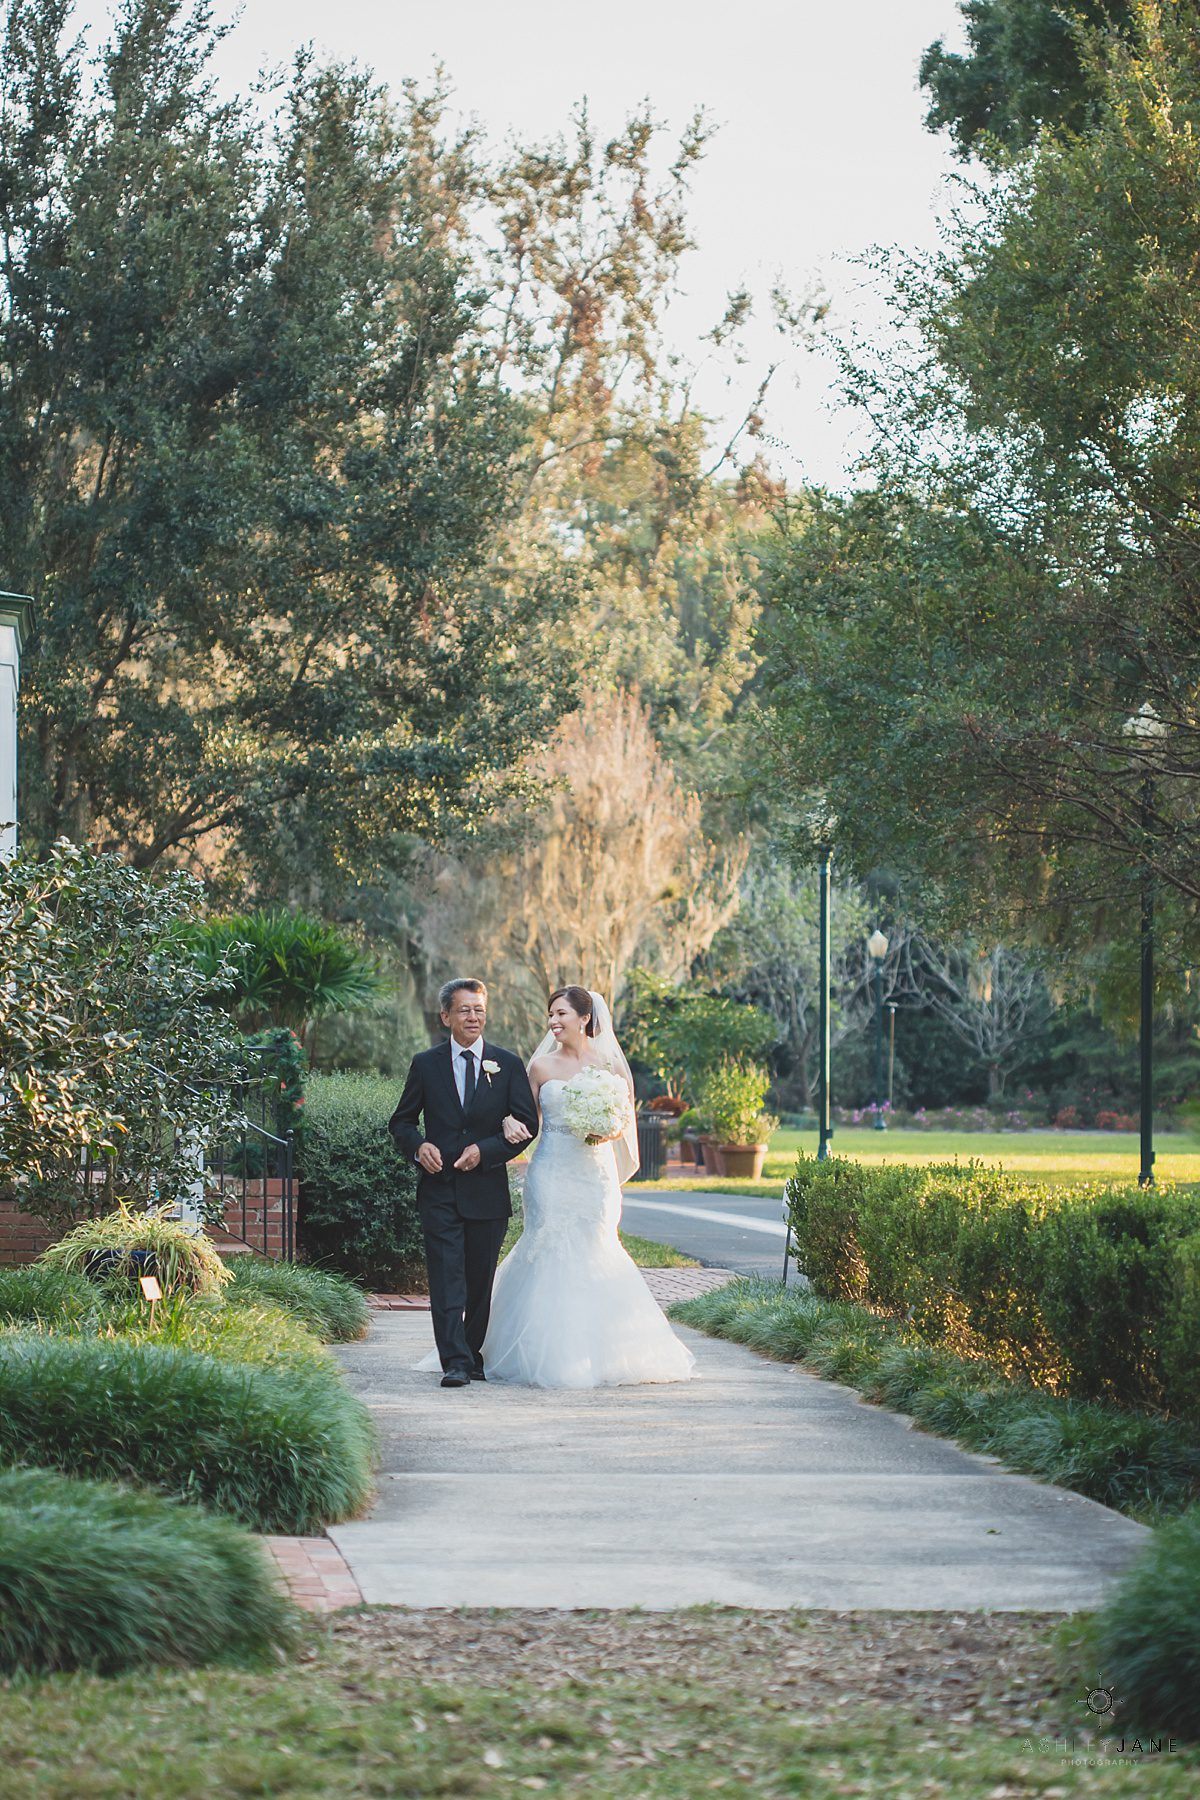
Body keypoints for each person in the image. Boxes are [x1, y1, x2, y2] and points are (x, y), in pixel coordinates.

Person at [482, 984, 695, 1389]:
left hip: (595, 1174)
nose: (553, 1021)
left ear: (584, 1018)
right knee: (547, 1245)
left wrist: (606, 1129)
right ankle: (542, 1353)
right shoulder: (541, 1067)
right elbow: (523, 1119)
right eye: (550, 1014)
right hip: (551, 1171)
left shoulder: (609, 1066)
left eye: (561, 1014)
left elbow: (622, 1123)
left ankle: (604, 1352)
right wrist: (507, 1123)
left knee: (596, 1245)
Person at [389, 978, 538, 1388]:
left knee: (478, 1282)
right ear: (445, 1016)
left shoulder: (507, 1064)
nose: (473, 1017)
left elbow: (527, 1125)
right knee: (445, 1279)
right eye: (464, 1010)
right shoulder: (426, 1064)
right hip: (438, 1189)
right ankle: (454, 1360)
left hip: (487, 1192)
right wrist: (419, 1147)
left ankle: (472, 1355)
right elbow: (401, 1122)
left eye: (479, 1010)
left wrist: (485, 1151)